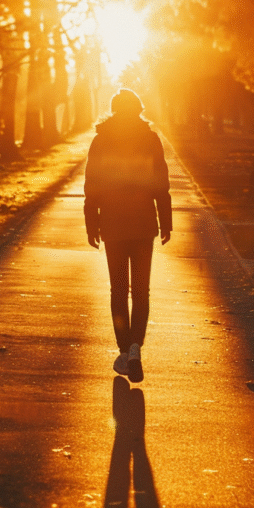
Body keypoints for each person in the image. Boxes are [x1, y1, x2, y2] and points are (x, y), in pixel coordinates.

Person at [84, 89, 172, 383]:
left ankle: (124, 349)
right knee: (141, 291)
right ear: (138, 109)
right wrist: (166, 221)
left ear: (113, 110)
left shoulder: (101, 140)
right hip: (143, 223)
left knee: (118, 291)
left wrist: (91, 223)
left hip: (112, 224)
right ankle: (135, 346)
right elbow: (160, 181)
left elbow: (92, 183)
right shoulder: (150, 139)